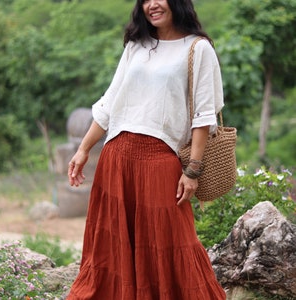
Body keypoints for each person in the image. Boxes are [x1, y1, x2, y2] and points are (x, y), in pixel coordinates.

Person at [67, 0, 226, 299]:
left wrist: (192, 171)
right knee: (114, 244)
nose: (152, 4)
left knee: (173, 240)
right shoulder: (136, 46)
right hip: (115, 157)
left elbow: (203, 117)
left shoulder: (198, 48)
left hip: (159, 161)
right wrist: (84, 149)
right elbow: (110, 102)